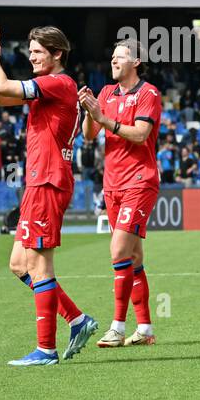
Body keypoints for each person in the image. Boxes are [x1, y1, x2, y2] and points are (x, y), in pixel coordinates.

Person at [0, 24, 98, 365]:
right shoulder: (54, 85)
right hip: (39, 181)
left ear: (57, 54)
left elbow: (2, 87)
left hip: (47, 181)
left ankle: (46, 350)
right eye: (29, 51)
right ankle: (77, 319)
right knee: (19, 264)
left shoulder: (58, 83)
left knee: (40, 265)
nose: (31, 57)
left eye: (37, 52)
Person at [78, 40, 162, 348]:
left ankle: (117, 326)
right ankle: (146, 329)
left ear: (136, 61)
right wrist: (90, 111)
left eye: (120, 56)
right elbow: (89, 136)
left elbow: (141, 135)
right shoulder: (105, 94)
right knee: (133, 257)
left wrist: (103, 118)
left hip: (139, 182)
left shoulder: (148, 93)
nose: (113, 60)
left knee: (117, 252)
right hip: (112, 184)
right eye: (112, 56)